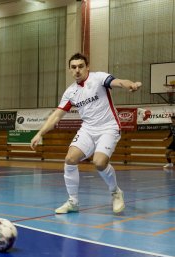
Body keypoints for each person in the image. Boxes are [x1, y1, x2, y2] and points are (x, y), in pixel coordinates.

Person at [30, 52, 141, 214]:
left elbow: (118, 82)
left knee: (99, 162)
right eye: (73, 67)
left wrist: (130, 84)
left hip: (108, 127)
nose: (77, 70)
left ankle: (116, 192)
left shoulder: (98, 78)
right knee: (70, 159)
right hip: (88, 129)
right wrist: (40, 133)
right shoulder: (70, 92)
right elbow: (56, 116)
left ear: (87, 67)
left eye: (81, 66)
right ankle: (73, 202)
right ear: (69, 70)